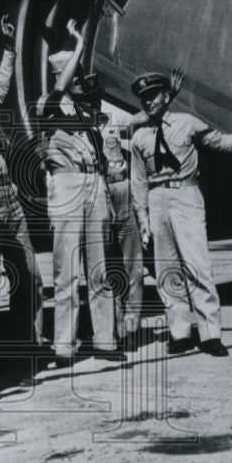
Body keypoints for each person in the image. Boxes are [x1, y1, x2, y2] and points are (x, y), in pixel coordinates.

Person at [129, 73, 232, 357]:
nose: (148, 101)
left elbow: (225, 143)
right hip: (157, 200)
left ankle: (210, 333)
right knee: (167, 268)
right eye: (144, 98)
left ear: (167, 96)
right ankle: (179, 333)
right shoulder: (139, 137)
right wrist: (143, 219)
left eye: (154, 95)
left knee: (197, 265)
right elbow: (138, 181)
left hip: (186, 195)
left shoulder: (187, 123)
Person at [36, 20, 116, 366]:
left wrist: (107, 193)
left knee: (99, 266)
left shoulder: (87, 110)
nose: (77, 78)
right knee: (66, 269)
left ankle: (105, 340)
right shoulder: (47, 105)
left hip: (93, 181)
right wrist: (80, 43)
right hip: (66, 183)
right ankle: (64, 345)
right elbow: (61, 87)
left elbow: (101, 155)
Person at [0, 16, 45, 350]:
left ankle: (29, 343)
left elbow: (1, 83)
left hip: (10, 201)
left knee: (29, 274)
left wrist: (8, 49)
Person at [101, 120, 143, 353]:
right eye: (108, 131)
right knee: (108, 270)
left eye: (116, 131)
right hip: (104, 200)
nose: (113, 136)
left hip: (127, 198)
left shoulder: (129, 154)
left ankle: (131, 329)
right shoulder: (94, 154)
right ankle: (112, 331)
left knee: (134, 269)